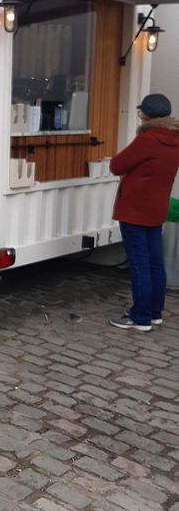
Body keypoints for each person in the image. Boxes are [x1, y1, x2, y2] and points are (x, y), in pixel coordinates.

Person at [109, 93, 179, 332]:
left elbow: (117, 165)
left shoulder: (148, 139)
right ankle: (155, 312)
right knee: (155, 262)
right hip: (157, 207)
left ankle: (140, 317)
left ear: (146, 116)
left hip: (135, 209)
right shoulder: (175, 138)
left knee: (139, 263)